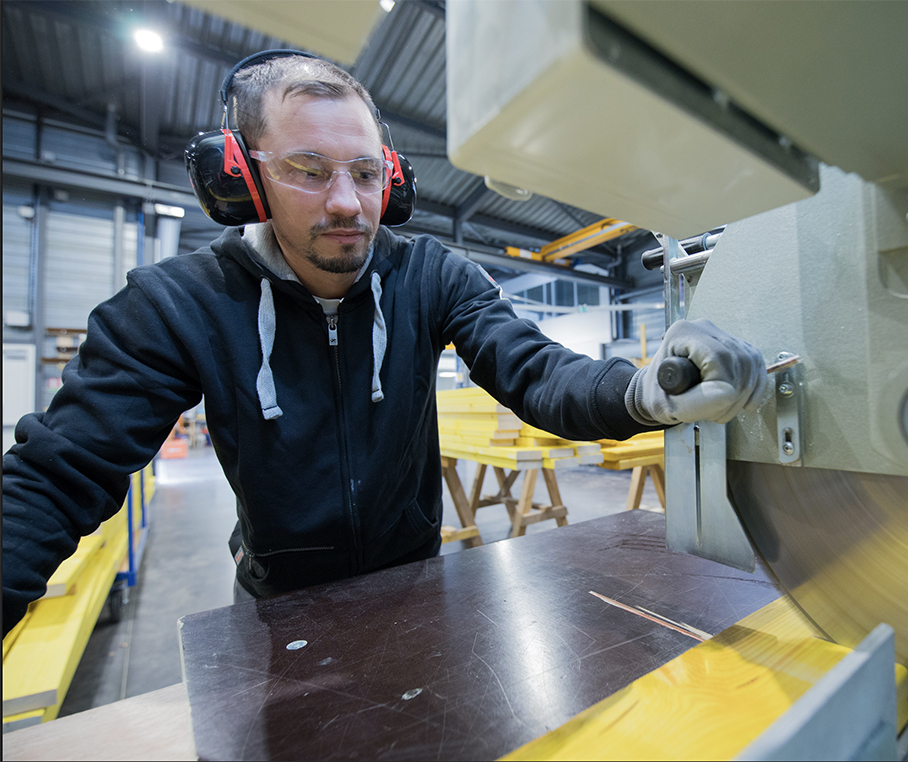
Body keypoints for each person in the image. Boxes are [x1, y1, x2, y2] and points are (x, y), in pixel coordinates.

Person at [2, 53, 766, 635]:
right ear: (241, 177)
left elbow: (533, 371)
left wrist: (642, 391)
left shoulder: (430, 275)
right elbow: (55, 478)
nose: (346, 203)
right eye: (308, 170)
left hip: (417, 591)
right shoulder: (176, 305)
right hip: (276, 613)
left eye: (366, 174)